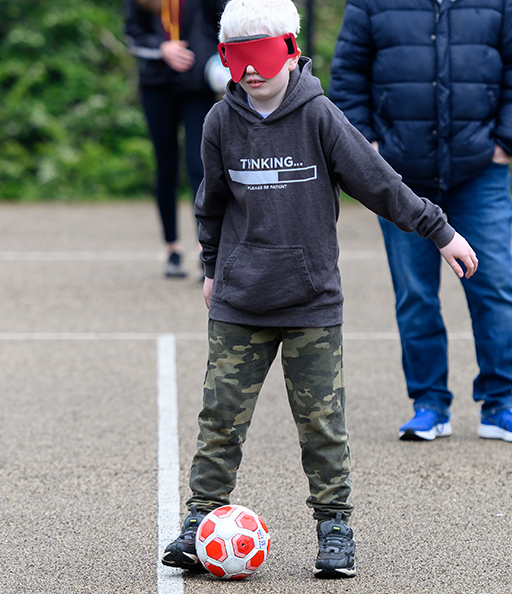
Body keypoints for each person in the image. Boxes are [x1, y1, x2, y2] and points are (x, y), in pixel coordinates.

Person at [158, 0, 479, 579]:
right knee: (220, 420)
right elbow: (210, 207)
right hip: (240, 301)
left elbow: (380, 184)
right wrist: (211, 269)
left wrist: (440, 231)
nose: (249, 71)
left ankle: (335, 530)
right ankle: (199, 522)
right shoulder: (219, 123)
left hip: (311, 303)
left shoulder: (320, 117)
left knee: (322, 424)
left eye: (259, 56)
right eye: (235, 59)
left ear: (288, 50)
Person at [329, 0, 512, 443]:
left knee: (494, 286)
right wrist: (367, 147)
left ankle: (500, 403)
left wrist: (508, 141)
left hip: (480, 172)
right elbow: (348, 75)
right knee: (415, 294)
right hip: (399, 176)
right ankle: (429, 403)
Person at [124, 0, 223, 278]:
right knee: (166, 165)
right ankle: (172, 250)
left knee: (200, 166)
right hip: (156, 84)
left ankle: (207, 252)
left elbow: (221, 22)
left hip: (197, 84)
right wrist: (161, 48)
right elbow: (132, 33)